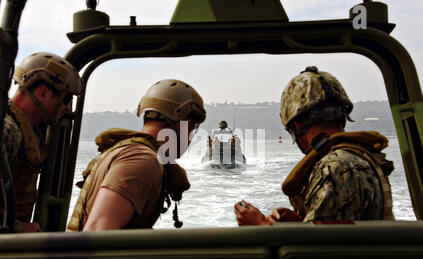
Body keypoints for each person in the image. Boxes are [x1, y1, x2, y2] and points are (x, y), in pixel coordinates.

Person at [234, 66, 395, 225]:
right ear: (343, 117)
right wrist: (298, 223)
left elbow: (317, 249)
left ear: (297, 125)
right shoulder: (358, 157)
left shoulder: (336, 167)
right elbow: (337, 234)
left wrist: (260, 224)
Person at [67, 79, 206, 231]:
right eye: (191, 129)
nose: (189, 137)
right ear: (181, 123)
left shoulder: (130, 151)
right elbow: (98, 231)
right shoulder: (142, 161)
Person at [3, 52, 82, 232]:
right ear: (42, 92)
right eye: (66, 99)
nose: (67, 108)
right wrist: (18, 228)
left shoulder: (28, 131)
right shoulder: (7, 131)